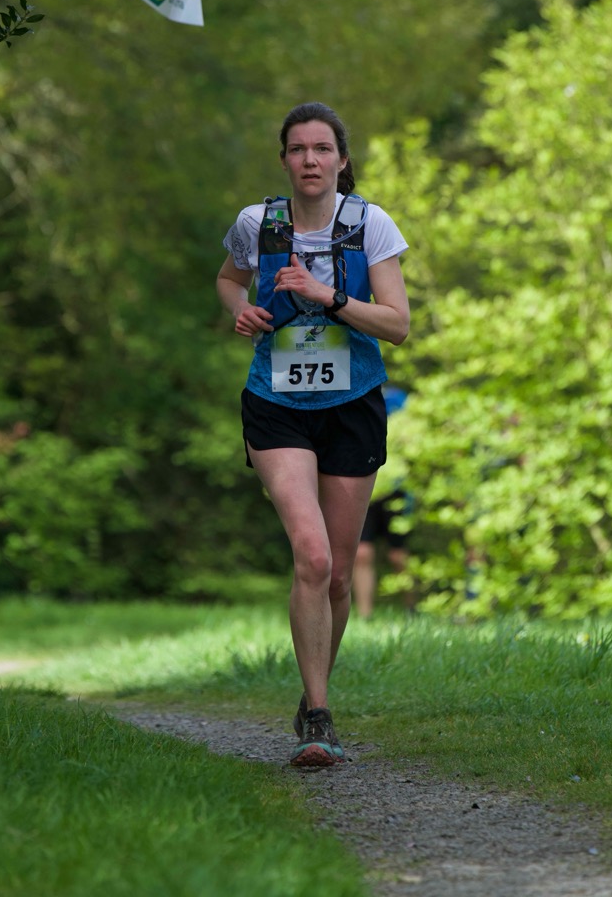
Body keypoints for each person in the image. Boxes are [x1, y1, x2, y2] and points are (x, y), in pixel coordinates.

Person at [216, 101, 410, 767]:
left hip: (352, 403)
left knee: (338, 578)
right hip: (277, 404)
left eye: (322, 149)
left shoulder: (369, 223)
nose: (309, 160)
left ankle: (312, 695)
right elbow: (227, 280)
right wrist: (242, 310)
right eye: (297, 149)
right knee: (314, 556)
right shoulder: (257, 223)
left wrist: (328, 296)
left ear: (341, 160)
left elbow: (397, 324)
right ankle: (319, 719)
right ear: (283, 160)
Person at [352, 387, 415, 619]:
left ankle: (411, 609)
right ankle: (365, 616)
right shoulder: (353, 393)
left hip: (397, 489)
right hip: (363, 485)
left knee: (398, 555)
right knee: (362, 553)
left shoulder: (399, 399)